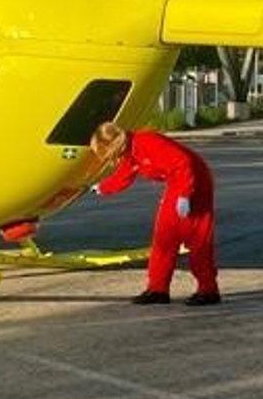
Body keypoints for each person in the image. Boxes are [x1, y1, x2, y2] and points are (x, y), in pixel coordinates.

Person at [88, 122, 220, 306]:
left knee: (197, 238)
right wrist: (101, 188)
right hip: (178, 183)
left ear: (111, 145)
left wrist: (184, 195)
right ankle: (158, 289)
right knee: (164, 238)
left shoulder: (147, 142)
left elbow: (183, 162)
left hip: (194, 182)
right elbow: (123, 176)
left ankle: (208, 289)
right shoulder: (131, 152)